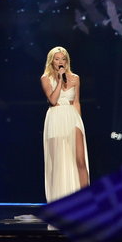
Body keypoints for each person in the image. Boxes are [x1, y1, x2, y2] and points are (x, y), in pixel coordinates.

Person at [40, 46, 89, 202]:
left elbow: (76, 102)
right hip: (55, 117)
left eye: (63, 58)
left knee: (80, 160)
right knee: (58, 162)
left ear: (67, 61)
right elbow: (53, 100)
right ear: (51, 61)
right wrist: (60, 80)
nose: (60, 61)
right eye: (57, 59)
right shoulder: (46, 78)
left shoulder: (75, 78)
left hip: (72, 117)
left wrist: (79, 123)